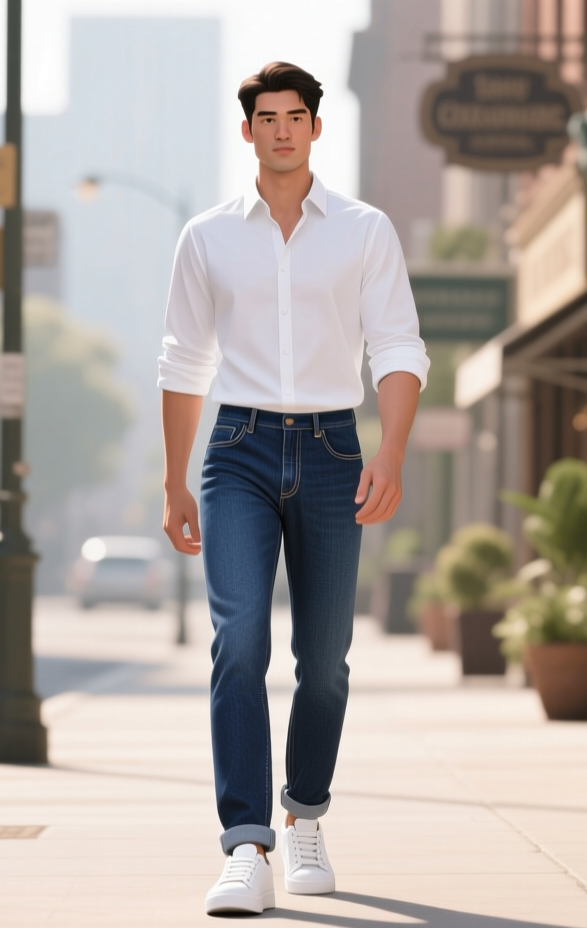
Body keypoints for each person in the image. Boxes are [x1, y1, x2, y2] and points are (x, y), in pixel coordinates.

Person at [158, 61, 428, 916]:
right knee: (239, 643)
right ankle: (246, 844)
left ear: (316, 127)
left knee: (325, 662)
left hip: (332, 450)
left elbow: (398, 348)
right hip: (235, 447)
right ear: (247, 132)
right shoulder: (206, 235)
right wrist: (175, 480)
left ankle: (304, 815)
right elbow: (182, 361)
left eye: (294, 115)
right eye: (265, 117)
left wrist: (390, 454)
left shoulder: (364, 230)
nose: (280, 129)